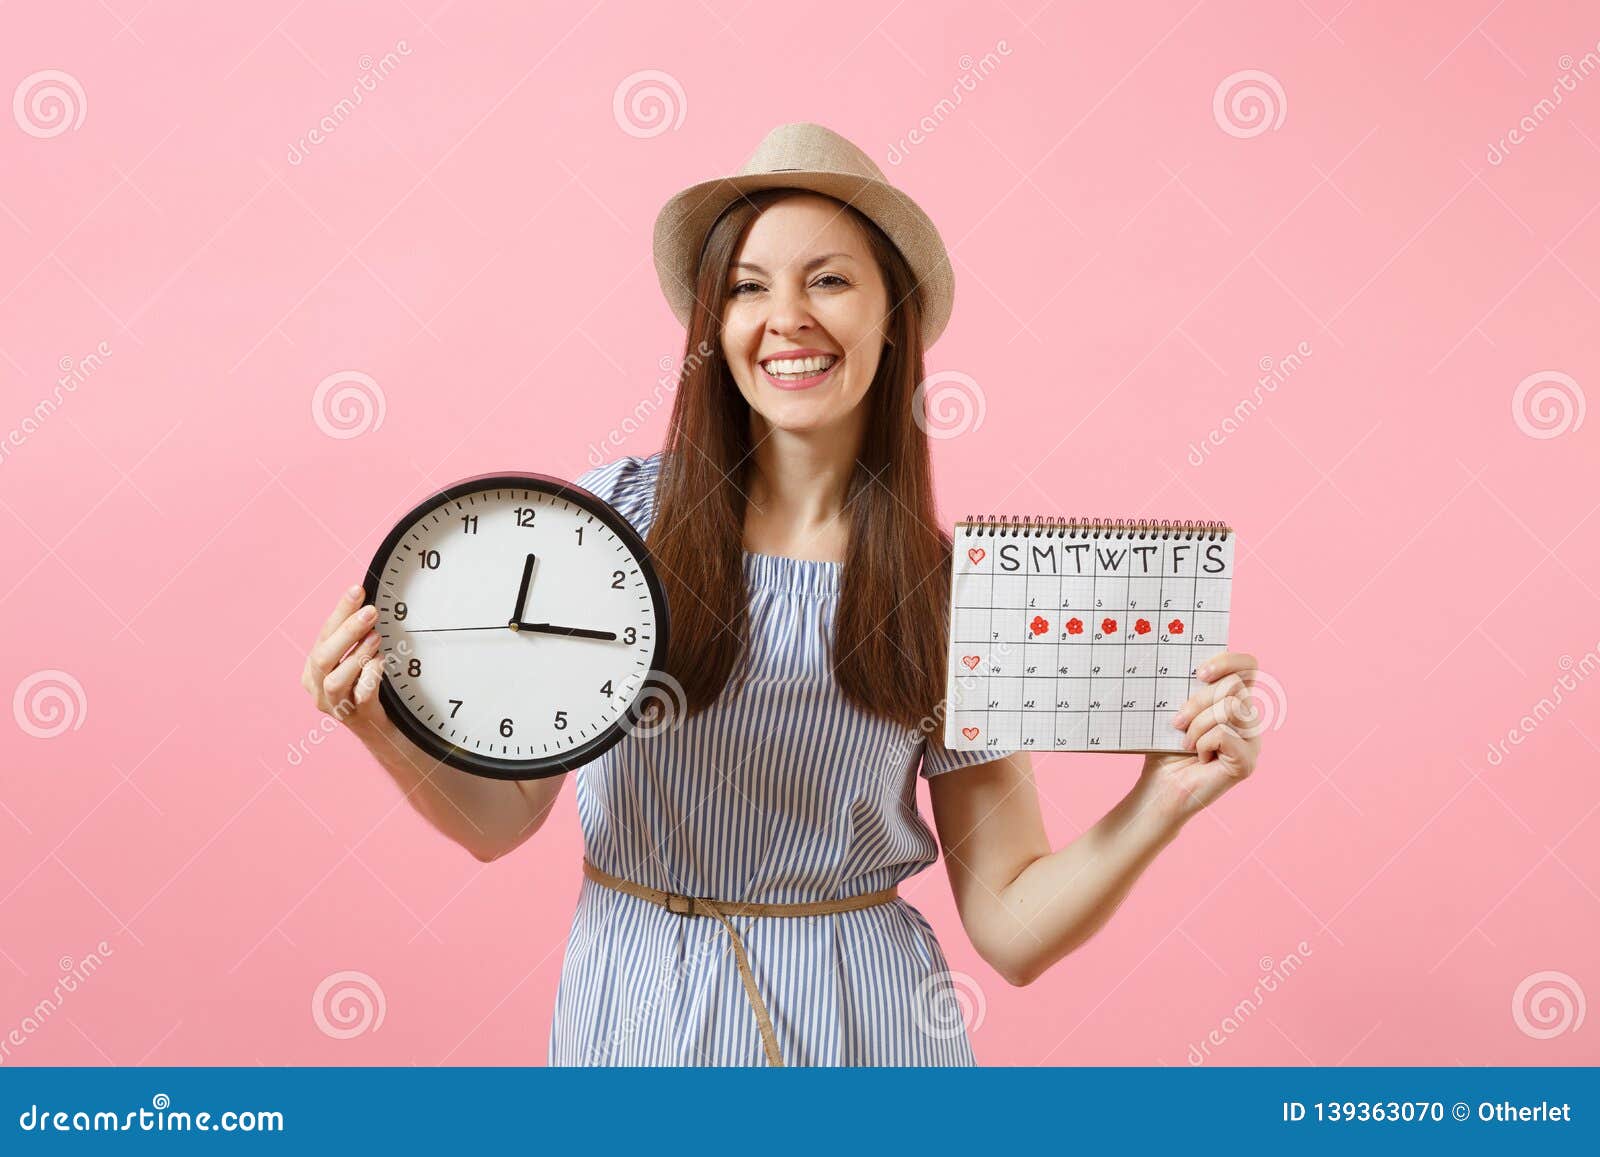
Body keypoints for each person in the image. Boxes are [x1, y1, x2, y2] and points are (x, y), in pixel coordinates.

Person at [300, 123, 1264, 1066]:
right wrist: (378, 723)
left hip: (862, 1030)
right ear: (714, 329)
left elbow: (1012, 927)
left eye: (831, 280)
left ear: (897, 316)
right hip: (630, 1016)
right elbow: (501, 822)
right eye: (748, 287)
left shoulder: (957, 596)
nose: (787, 317)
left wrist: (1161, 801)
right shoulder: (611, 518)